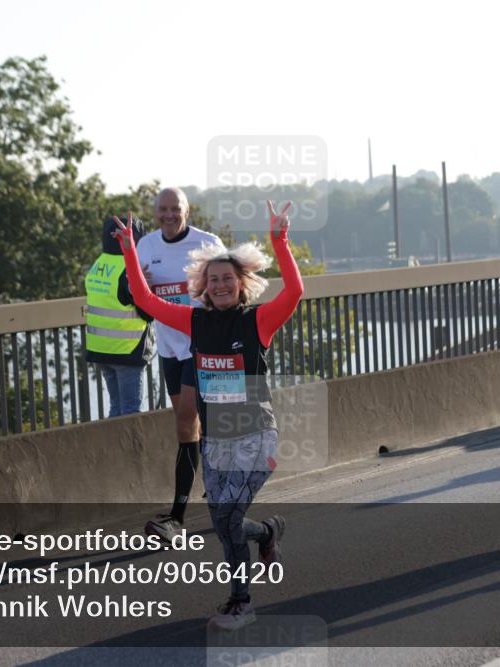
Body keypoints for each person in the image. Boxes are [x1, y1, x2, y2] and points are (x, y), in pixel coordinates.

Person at [114, 200, 303, 630]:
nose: (220, 285)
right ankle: (267, 532)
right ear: (202, 285)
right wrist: (129, 250)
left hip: (255, 435)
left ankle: (241, 603)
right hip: (216, 439)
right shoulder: (193, 322)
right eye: (213, 279)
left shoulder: (258, 321)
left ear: (241, 284)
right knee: (223, 521)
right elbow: (143, 299)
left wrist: (280, 240)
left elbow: (294, 293)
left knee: (229, 518)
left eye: (227, 279)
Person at [137, 187, 225, 540]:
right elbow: (139, 303)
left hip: (201, 344)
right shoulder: (146, 246)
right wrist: (135, 288)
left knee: (188, 418)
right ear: (155, 212)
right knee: (190, 426)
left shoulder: (207, 243)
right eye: (163, 209)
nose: (169, 215)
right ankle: (220, 493)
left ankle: (176, 517)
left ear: (187, 211)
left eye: (176, 209)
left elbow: (229, 289)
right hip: (169, 347)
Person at [84, 217, 154, 417]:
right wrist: (147, 286)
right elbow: (148, 313)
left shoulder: (98, 264)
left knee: (115, 409)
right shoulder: (128, 267)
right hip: (126, 349)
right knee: (131, 412)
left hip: (101, 349)